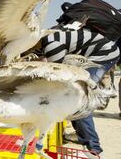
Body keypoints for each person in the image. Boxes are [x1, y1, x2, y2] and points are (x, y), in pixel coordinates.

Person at [39, 27, 120, 158]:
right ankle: (85, 137)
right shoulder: (44, 43)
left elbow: (59, 76)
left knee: (77, 100)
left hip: (103, 54)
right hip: (100, 52)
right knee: (72, 97)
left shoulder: (51, 45)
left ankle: (94, 149)